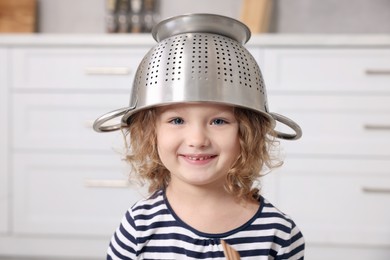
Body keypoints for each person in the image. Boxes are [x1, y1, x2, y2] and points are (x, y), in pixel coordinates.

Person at [93, 13, 304, 260]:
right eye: (177, 120)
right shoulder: (138, 227)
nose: (197, 139)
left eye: (218, 121)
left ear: (247, 133)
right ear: (151, 133)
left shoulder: (278, 233)